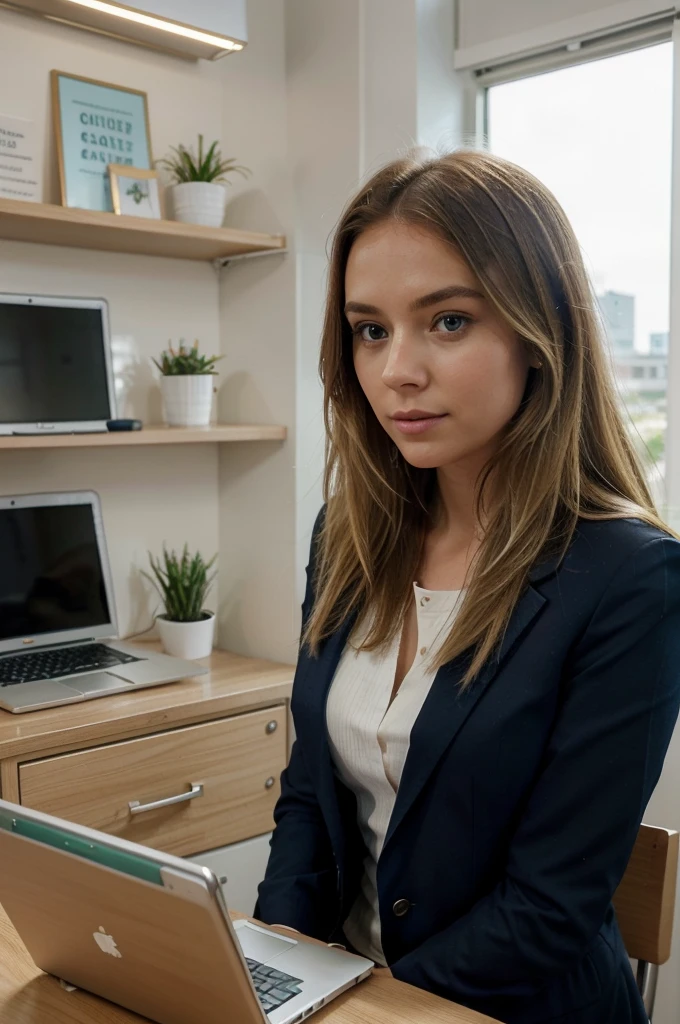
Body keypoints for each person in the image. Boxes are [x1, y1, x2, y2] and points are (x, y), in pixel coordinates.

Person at [254, 148, 680, 1024]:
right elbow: (309, 796)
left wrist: (363, 1008)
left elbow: (548, 909)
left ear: (540, 331)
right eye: (370, 330)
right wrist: (280, 975)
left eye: (446, 321)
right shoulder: (346, 535)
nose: (396, 370)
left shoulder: (631, 578)